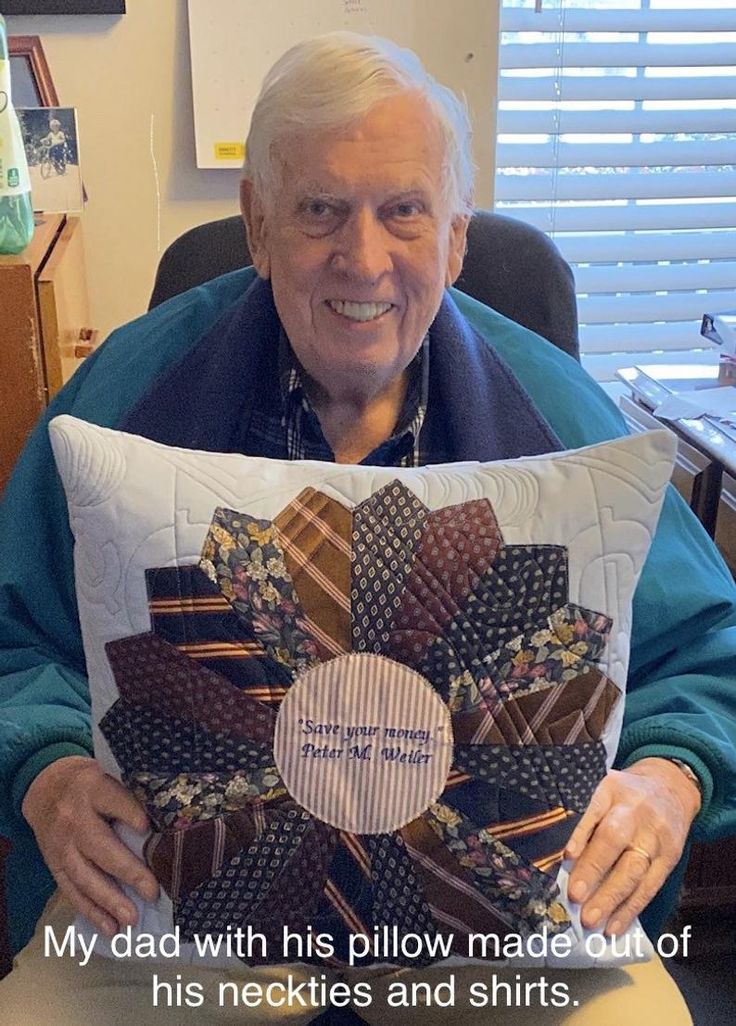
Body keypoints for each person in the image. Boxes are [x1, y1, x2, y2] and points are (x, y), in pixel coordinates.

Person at [0, 31, 735, 1026]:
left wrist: (666, 774)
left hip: (495, 919)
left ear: (456, 237)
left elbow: (707, 652)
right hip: (174, 907)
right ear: (257, 225)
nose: (364, 257)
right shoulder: (126, 397)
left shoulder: (560, 422)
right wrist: (44, 767)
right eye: (318, 211)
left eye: (403, 211)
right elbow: (11, 630)